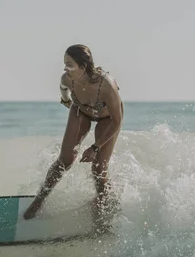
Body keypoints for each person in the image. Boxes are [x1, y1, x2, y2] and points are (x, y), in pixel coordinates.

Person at [24, 44, 123, 220]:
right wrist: (65, 101)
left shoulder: (106, 84)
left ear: (83, 67)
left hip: (108, 119)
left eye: (69, 64)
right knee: (66, 160)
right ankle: (39, 200)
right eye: (64, 63)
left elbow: (117, 121)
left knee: (98, 168)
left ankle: (103, 209)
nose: (65, 68)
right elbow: (63, 90)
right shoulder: (67, 79)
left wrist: (95, 147)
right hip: (81, 111)